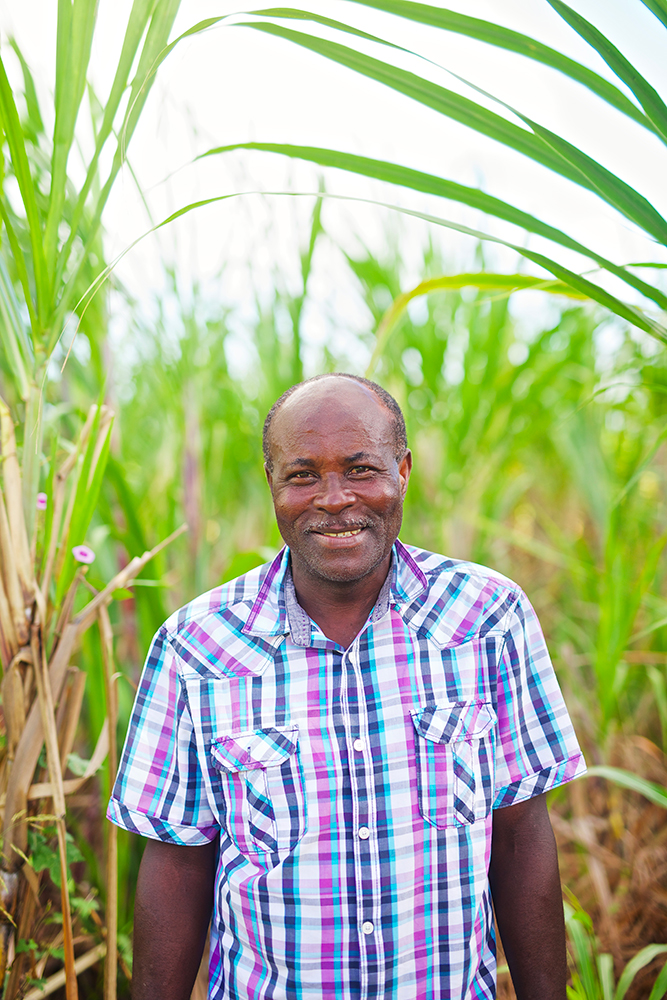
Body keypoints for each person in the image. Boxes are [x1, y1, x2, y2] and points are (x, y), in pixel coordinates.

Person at [108, 373, 585, 1000]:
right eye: (302, 475)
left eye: (361, 469)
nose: (333, 499)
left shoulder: (487, 618)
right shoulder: (196, 647)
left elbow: (521, 832)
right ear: (272, 486)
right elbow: (176, 863)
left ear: (404, 471)